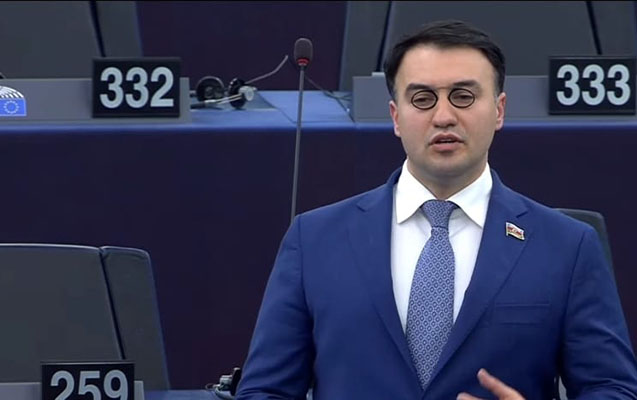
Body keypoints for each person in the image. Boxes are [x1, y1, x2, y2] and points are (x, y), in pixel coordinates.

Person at [235, 20, 637, 399]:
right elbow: (265, 391)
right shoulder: (315, 240)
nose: (444, 116)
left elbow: (613, 388)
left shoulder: (567, 246)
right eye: (422, 99)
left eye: (463, 96)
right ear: (396, 117)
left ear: (499, 110)